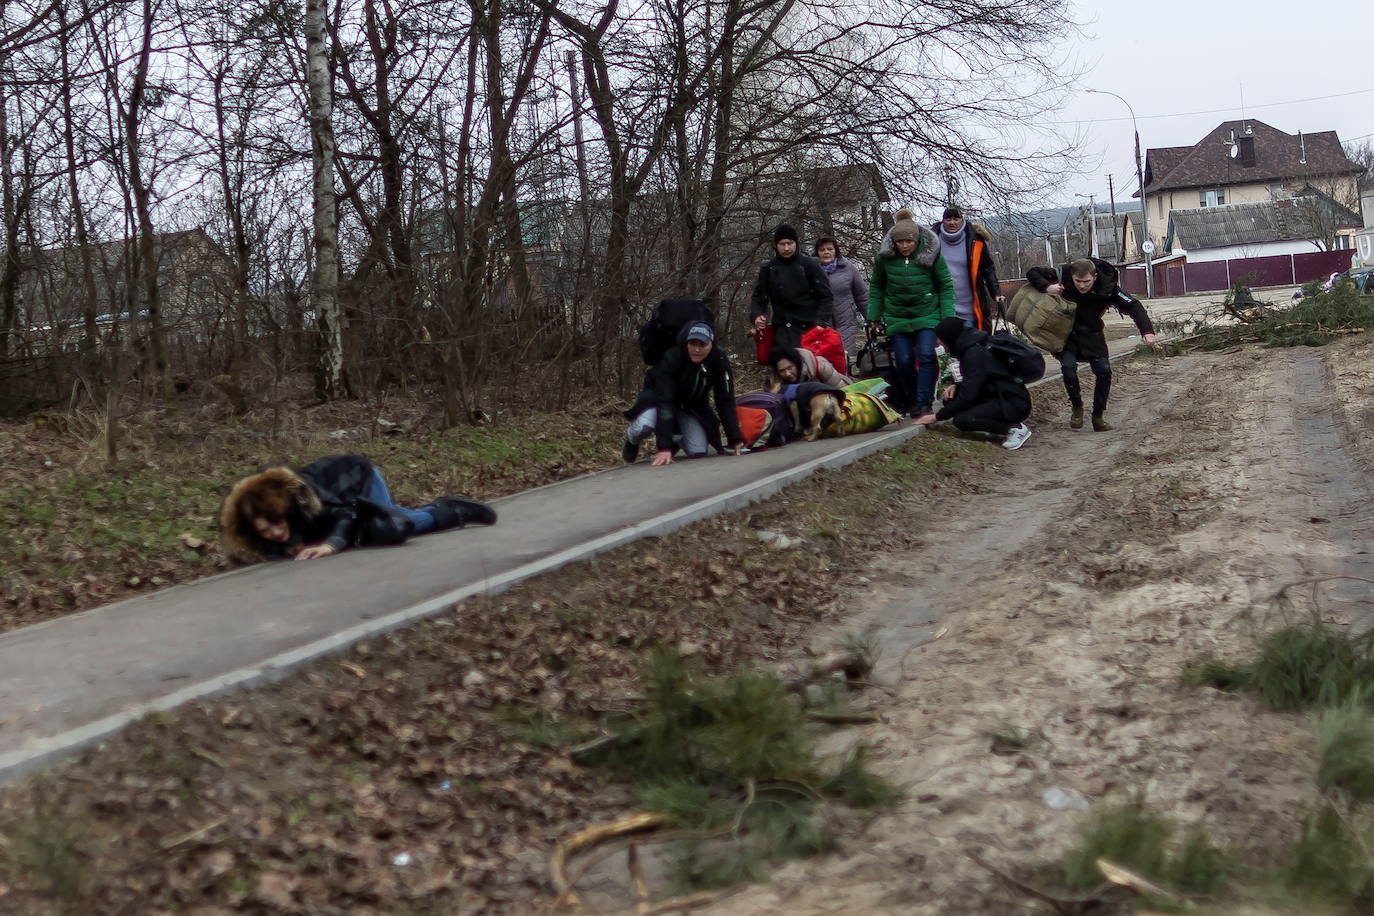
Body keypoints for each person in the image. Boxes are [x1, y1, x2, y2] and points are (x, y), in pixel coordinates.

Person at [220, 454, 497, 563]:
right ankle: (444, 509)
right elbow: (264, 551)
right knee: (375, 529)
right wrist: (285, 548)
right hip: (344, 502)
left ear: (283, 510)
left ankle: (452, 510)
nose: (275, 532)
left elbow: (347, 511)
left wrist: (331, 545)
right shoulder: (258, 532)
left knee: (391, 526)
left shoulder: (304, 497)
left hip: (358, 479)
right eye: (265, 531)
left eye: (277, 524)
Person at [867, 209, 955, 417]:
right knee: (904, 360)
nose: (905, 246)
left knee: (926, 354)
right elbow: (877, 286)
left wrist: (947, 317)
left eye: (909, 242)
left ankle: (924, 401)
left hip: (927, 314)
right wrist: (873, 316)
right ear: (894, 242)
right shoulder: (884, 259)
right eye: (900, 242)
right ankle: (913, 397)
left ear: (916, 240)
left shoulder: (931, 255)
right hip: (897, 317)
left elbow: (945, 285)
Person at [623, 320, 745, 466]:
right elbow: (665, 403)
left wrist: (734, 439)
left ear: (711, 344)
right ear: (686, 343)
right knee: (643, 427)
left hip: (690, 406)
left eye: (702, 345)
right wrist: (664, 448)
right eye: (693, 344)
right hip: (658, 401)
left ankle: (676, 437)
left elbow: (724, 399)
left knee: (698, 450)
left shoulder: (718, 359)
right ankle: (632, 438)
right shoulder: (672, 358)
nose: (697, 350)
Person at [1056, 257, 1157, 431]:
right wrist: (1047, 286)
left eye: (1086, 281)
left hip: (1093, 336)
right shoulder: (1062, 280)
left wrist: (1147, 331)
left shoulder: (1108, 287)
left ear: (1094, 277)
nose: (1081, 286)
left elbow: (1133, 306)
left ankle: (1098, 416)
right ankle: (1077, 407)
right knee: (1068, 368)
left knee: (1104, 372)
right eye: (1078, 281)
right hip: (1067, 337)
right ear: (1072, 276)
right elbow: (1034, 274)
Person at [913, 317, 1032, 450]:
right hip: (1001, 396)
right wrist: (956, 386)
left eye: (939, 338)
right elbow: (981, 378)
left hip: (1013, 402)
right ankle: (997, 422)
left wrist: (936, 416)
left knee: (963, 420)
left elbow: (968, 394)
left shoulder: (974, 353)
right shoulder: (972, 348)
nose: (937, 342)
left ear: (949, 337)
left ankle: (1014, 428)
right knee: (951, 401)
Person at [751, 223, 834, 352]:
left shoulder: (810, 265)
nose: (786, 248)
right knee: (786, 368)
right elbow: (759, 297)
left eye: (789, 243)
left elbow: (825, 296)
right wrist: (757, 315)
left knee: (810, 367)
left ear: (796, 243)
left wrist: (820, 323)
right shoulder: (768, 269)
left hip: (810, 328)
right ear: (776, 246)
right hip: (782, 329)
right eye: (782, 244)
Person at [931, 206, 1004, 330]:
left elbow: (988, 268)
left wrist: (996, 292)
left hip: (971, 309)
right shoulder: (932, 240)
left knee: (973, 345)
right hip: (943, 309)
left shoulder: (975, 240)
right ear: (943, 221)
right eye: (948, 219)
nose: (952, 223)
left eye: (956, 219)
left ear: (962, 220)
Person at [813, 236, 868, 355]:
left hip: (846, 322)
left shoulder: (849, 268)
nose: (826, 252)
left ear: (835, 251)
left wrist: (871, 319)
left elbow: (862, 296)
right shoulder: (810, 271)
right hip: (821, 324)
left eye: (830, 249)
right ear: (817, 253)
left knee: (845, 357)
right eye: (822, 250)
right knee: (825, 360)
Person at [767, 345, 853, 389]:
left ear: (797, 363)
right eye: (782, 371)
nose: (787, 374)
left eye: (790, 368)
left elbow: (843, 390)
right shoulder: (775, 379)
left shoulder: (821, 366)